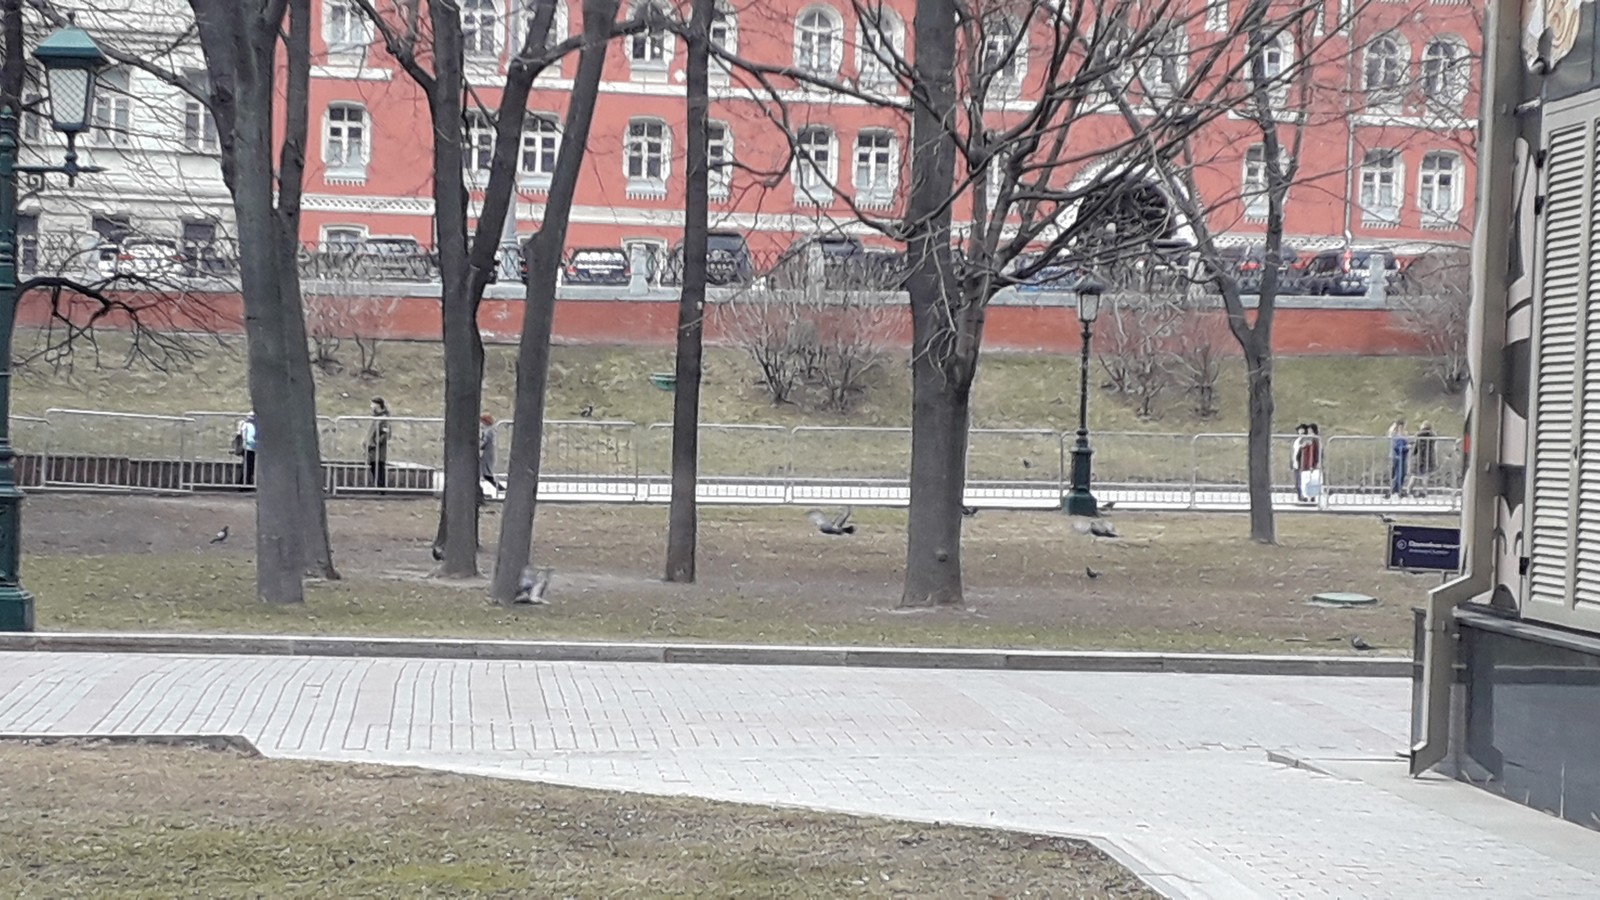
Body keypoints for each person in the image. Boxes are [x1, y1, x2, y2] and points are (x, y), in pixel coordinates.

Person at [365, 397, 391, 488]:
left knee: (379, 467)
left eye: (372, 404)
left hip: (378, 449)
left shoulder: (383, 418)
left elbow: (386, 434)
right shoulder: (375, 417)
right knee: (373, 466)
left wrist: (376, 442)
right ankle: (378, 487)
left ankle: (381, 488)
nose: (371, 406)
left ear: (378, 405)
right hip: (371, 448)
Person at [1409, 420, 1438, 496]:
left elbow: (1415, 448)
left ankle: (1409, 490)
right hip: (1428, 458)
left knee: (1414, 476)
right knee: (1425, 476)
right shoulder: (1432, 436)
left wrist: (1413, 454)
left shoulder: (1418, 436)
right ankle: (1425, 491)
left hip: (1419, 457)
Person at [1298, 423, 1322, 503]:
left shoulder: (1314, 440)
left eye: (1310, 431)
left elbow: (1313, 453)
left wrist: (1312, 464)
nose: (1308, 433)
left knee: (1310, 481)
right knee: (1306, 481)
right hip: (1305, 464)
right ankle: (1307, 496)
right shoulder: (1306, 440)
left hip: (1309, 465)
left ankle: (1310, 496)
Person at [1387, 418, 1409, 498]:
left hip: (1401, 456)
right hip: (1397, 456)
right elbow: (1396, 446)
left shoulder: (1401, 433)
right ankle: (1395, 490)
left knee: (1401, 473)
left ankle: (1397, 489)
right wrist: (1406, 447)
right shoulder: (1396, 434)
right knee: (1398, 473)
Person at [479, 414, 501, 493]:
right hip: (487, 454)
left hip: (487, 454)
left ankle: (499, 487)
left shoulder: (489, 431)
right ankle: (499, 487)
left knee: (486, 473)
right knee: (485, 473)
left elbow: (484, 442)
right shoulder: (489, 430)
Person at [235, 413, 258, 487]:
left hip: (248, 447)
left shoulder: (245, 424)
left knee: (247, 466)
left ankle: (244, 483)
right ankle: (245, 483)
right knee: (249, 466)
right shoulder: (250, 425)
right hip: (251, 448)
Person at [1290, 424, 1309, 501]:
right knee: (1297, 480)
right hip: (1296, 461)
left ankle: (1303, 496)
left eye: (1302, 430)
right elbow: (1294, 452)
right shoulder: (1297, 440)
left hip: (1301, 462)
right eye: (1299, 430)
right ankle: (1299, 495)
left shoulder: (1305, 440)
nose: (1300, 432)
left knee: (1302, 480)